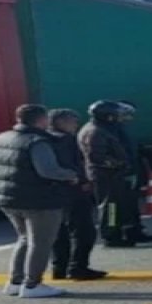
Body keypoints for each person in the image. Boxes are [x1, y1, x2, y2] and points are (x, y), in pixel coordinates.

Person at [0, 104, 79, 298]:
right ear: (41, 120)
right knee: (41, 242)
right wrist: (71, 175)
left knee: (24, 238)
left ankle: (15, 280)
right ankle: (32, 284)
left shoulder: (0, 138)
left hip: (8, 197)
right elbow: (47, 170)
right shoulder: (37, 141)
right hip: (39, 199)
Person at [47, 109, 106, 281]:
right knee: (84, 231)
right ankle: (78, 267)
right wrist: (83, 181)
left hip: (54, 193)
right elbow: (73, 164)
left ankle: (60, 267)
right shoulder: (66, 141)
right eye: (72, 122)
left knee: (60, 232)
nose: (75, 126)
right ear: (61, 122)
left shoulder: (45, 140)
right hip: (73, 191)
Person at [79, 100, 140, 247]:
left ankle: (120, 231)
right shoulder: (95, 132)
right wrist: (119, 164)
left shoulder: (103, 128)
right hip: (106, 175)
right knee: (110, 207)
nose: (119, 118)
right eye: (116, 115)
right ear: (108, 116)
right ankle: (111, 236)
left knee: (117, 205)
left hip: (112, 174)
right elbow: (97, 157)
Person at [114, 101, 152, 244]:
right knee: (114, 207)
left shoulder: (119, 129)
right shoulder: (109, 130)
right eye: (124, 114)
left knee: (131, 204)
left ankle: (134, 231)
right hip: (115, 176)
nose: (128, 117)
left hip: (128, 171)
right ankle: (114, 235)